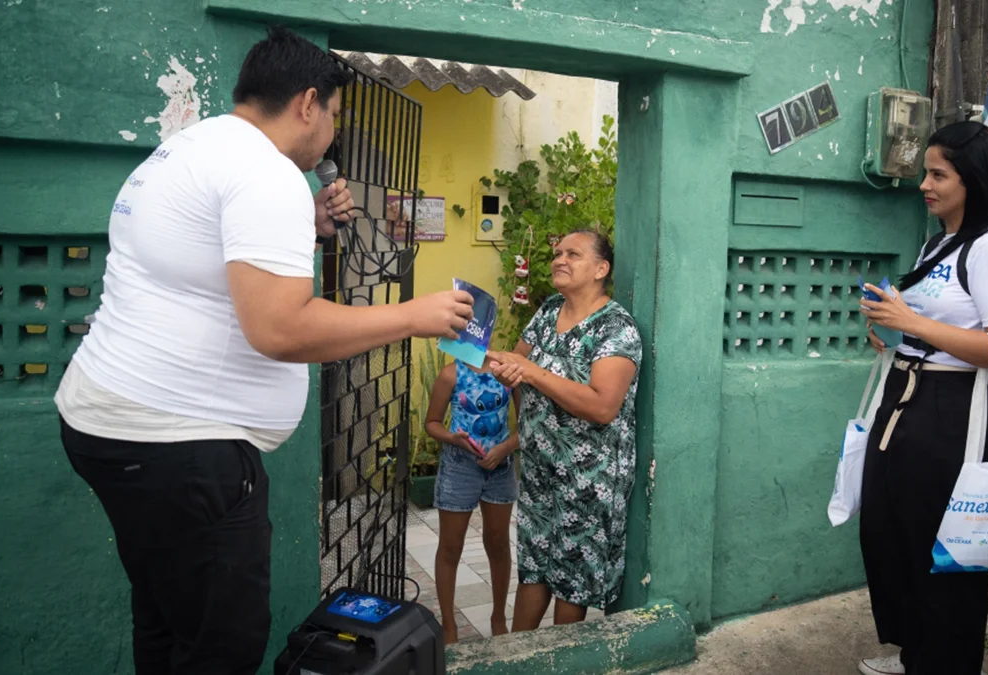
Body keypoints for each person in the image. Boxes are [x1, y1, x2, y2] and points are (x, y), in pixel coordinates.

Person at [55, 27, 474, 675]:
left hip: (110, 425)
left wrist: (308, 227)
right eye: (334, 116)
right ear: (308, 102)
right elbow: (279, 329)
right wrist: (412, 316)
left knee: (168, 621)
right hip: (182, 445)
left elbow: (210, 273)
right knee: (221, 646)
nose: (332, 134)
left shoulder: (192, 149)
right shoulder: (266, 173)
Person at [856, 121, 988, 675]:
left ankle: (946, 663)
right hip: (906, 400)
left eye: (938, 174)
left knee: (944, 552)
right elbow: (937, 325)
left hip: (953, 413)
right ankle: (918, 654)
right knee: (892, 536)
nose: (924, 185)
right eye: (925, 173)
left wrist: (915, 323)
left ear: (974, 180)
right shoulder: (940, 242)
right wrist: (896, 330)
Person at [486, 229, 642, 630]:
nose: (559, 259)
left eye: (573, 254)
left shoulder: (615, 328)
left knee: (571, 582)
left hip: (588, 479)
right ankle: (513, 659)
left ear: (601, 269)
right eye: (557, 253)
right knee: (534, 567)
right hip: (540, 471)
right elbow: (520, 365)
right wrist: (501, 365)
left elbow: (603, 406)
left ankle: (557, 659)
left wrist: (534, 373)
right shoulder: (549, 309)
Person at [423, 358, 520, 643]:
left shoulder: (508, 372)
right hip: (459, 467)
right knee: (450, 547)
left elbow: (529, 424)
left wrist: (503, 449)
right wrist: (453, 438)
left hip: (500, 468)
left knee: (499, 543)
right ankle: (449, 626)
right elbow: (432, 422)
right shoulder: (449, 375)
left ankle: (499, 617)